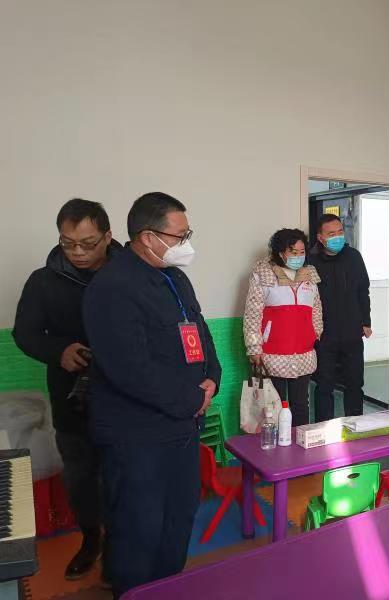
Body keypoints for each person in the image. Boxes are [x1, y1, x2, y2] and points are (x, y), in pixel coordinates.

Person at [83, 192, 221, 598]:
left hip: (182, 427)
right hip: (137, 437)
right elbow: (130, 369)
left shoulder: (175, 277)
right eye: (180, 235)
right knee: (138, 528)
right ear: (147, 237)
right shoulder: (112, 287)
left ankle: (167, 588)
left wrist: (213, 377)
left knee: (179, 517)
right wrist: (191, 400)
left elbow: (200, 331)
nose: (187, 243)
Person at [12, 199, 120, 581]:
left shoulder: (129, 274)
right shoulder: (43, 281)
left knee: (122, 475)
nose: (77, 252)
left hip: (124, 399)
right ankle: (91, 540)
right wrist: (59, 351)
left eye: (87, 243)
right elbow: (25, 334)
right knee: (80, 476)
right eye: (68, 242)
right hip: (71, 398)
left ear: (108, 236)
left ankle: (119, 546)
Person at [243, 228, 322, 426]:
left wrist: (316, 332)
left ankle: (300, 441)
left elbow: (316, 308)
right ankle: (275, 444)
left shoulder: (309, 275)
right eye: (293, 252)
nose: (298, 256)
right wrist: (254, 347)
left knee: (301, 404)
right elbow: (252, 313)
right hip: (272, 353)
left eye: (302, 252)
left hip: (303, 352)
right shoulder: (262, 275)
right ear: (280, 252)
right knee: (273, 406)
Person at [307, 214, 371, 422]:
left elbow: (363, 291)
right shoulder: (310, 261)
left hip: (352, 332)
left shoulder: (354, 256)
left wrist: (366, 321)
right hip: (324, 335)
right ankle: (322, 430)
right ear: (320, 237)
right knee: (324, 385)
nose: (337, 237)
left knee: (355, 383)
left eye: (340, 232)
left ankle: (356, 426)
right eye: (331, 233)